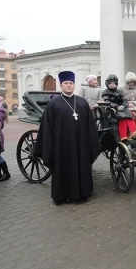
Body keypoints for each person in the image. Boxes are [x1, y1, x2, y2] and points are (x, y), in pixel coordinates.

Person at [34, 71, 100, 204]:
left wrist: (92, 144)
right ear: (61, 85)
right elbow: (48, 128)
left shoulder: (82, 103)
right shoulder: (54, 104)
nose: (69, 86)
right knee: (64, 168)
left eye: (71, 83)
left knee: (81, 165)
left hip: (81, 144)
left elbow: (90, 126)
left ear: (74, 85)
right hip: (61, 146)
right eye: (66, 83)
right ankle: (63, 195)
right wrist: (49, 149)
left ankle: (82, 193)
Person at [102, 74, 136, 141]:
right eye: (111, 83)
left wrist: (124, 105)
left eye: (114, 83)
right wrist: (116, 106)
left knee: (129, 115)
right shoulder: (105, 92)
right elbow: (107, 101)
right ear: (107, 84)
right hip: (112, 109)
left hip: (121, 108)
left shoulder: (118, 91)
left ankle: (133, 132)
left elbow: (123, 100)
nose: (112, 85)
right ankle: (125, 134)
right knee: (123, 116)